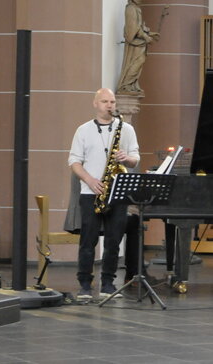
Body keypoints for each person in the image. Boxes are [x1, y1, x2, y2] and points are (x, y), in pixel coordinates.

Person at [66, 88, 140, 301]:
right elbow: (74, 161)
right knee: (88, 241)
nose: (110, 105)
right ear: (95, 104)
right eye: (105, 101)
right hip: (91, 192)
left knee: (113, 241)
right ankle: (85, 285)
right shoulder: (83, 130)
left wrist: (126, 158)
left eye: (113, 101)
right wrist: (90, 180)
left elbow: (135, 159)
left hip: (117, 192)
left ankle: (108, 283)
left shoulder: (125, 129)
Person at [116, 0, 159, 95]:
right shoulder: (130, 9)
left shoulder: (136, 9)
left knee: (139, 62)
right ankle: (126, 85)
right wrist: (145, 37)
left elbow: (139, 26)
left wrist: (150, 33)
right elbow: (133, 27)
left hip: (139, 41)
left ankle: (130, 85)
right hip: (134, 42)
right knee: (137, 61)